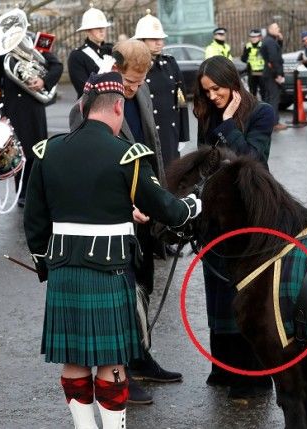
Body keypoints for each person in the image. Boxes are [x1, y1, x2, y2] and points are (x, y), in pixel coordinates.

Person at [24, 71, 201, 429]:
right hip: (110, 270)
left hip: (64, 271)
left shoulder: (49, 151)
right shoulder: (128, 155)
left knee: (74, 360)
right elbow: (169, 209)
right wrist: (196, 204)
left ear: (85, 107)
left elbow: (35, 224)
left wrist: (47, 266)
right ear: (119, 107)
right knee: (111, 360)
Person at [70, 39, 182, 405]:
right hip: (117, 215)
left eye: (141, 81)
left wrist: (159, 194)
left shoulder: (141, 91)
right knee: (124, 294)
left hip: (146, 208)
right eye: (131, 82)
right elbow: (88, 169)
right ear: (115, 68)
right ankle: (124, 371)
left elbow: (153, 145)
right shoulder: (89, 103)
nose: (135, 89)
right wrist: (124, 206)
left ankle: (141, 356)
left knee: (144, 285)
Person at [193, 55, 276, 399]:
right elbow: (204, 160)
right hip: (216, 211)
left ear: (233, 83)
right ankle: (224, 367)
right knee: (217, 288)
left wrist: (228, 123)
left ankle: (252, 376)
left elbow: (253, 161)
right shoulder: (206, 111)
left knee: (244, 290)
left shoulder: (262, 112)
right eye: (206, 91)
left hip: (248, 214)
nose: (212, 96)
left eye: (216, 89)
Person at [0, 9, 63, 208]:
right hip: (14, 107)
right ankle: (21, 193)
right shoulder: (1, 50)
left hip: (34, 105)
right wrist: (2, 113)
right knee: (20, 152)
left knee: (38, 150)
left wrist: (43, 80)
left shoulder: (36, 44)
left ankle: (37, 190)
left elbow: (57, 66)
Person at [134, 9, 189, 166]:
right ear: (141, 40)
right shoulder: (135, 66)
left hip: (170, 132)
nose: (159, 42)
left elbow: (181, 100)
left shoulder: (170, 63)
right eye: (153, 39)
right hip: (147, 134)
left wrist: (183, 134)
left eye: (161, 38)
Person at [68, 5, 113, 98]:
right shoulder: (77, 56)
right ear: (88, 31)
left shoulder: (113, 50)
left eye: (103, 27)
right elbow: (83, 89)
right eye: (97, 28)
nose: (102, 31)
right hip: (92, 106)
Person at [260, 22, 287, 130]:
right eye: (276, 28)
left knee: (268, 98)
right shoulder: (270, 42)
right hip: (272, 74)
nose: (279, 29)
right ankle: (274, 123)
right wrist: (278, 74)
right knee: (274, 99)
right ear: (270, 29)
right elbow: (274, 59)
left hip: (268, 73)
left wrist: (280, 40)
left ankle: (267, 121)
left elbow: (276, 51)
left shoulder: (269, 40)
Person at [240, 29, 264, 98]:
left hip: (261, 71)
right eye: (252, 37)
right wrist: (246, 56)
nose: (253, 39)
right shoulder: (248, 46)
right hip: (251, 71)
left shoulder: (262, 46)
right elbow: (243, 58)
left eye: (255, 37)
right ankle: (254, 106)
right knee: (253, 91)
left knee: (263, 90)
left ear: (259, 37)